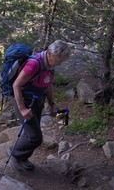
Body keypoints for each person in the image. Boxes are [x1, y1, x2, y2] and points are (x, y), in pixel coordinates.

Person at [10, 39, 71, 171]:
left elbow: (48, 84)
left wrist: (52, 104)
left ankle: (23, 157)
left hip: (37, 101)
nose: (59, 63)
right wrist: (22, 108)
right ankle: (14, 154)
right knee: (36, 137)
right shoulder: (34, 64)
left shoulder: (50, 66)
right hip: (24, 101)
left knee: (31, 132)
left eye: (62, 61)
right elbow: (16, 85)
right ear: (49, 53)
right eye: (58, 59)